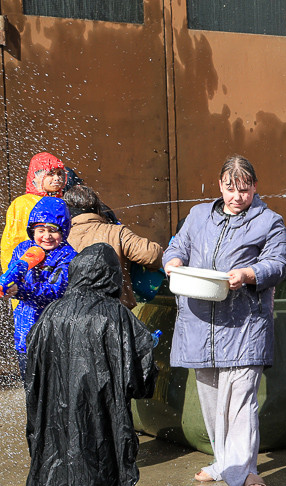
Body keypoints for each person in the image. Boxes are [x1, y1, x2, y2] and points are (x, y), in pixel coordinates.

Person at [163, 155, 286, 486]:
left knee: (240, 400)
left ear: (255, 187)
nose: (237, 196)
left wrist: (249, 274)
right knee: (212, 401)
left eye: (245, 190)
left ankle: (246, 472)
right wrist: (172, 261)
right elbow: (178, 246)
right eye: (230, 188)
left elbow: (279, 264)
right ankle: (225, 463)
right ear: (220, 185)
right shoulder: (198, 215)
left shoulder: (270, 221)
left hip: (245, 325)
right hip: (199, 323)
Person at [25, 243, 157, 486]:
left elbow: (32, 364)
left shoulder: (52, 313)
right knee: (104, 465)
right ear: (110, 275)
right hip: (100, 408)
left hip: (57, 409)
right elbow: (139, 371)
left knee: (70, 463)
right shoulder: (115, 314)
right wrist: (148, 347)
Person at [2, 197, 77, 384]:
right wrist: (8, 285)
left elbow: (55, 291)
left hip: (54, 335)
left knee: (53, 392)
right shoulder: (23, 249)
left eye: (53, 230)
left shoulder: (67, 255)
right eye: (40, 230)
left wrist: (20, 291)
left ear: (64, 230)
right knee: (31, 390)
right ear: (32, 231)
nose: (46, 236)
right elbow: (13, 275)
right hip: (25, 334)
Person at [64, 184, 164, 309]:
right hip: (115, 310)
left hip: (72, 311)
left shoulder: (60, 236)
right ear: (97, 208)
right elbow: (151, 255)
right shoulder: (116, 232)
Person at [2, 152, 66, 274]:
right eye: (50, 174)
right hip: (29, 268)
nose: (57, 178)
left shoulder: (61, 203)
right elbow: (10, 242)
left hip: (56, 267)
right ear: (36, 176)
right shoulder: (22, 203)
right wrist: (11, 274)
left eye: (59, 173)